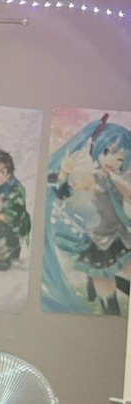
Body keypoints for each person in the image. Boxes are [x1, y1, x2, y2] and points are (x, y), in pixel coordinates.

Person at [45, 116, 131, 315]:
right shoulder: (89, 178)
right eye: (107, 152)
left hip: (121, 238)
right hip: (99, 242)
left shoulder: (117, 181)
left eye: (119, 159)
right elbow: (62, 193)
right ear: (98, 148)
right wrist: (64, 172)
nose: (112, 161)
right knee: (105, 288)